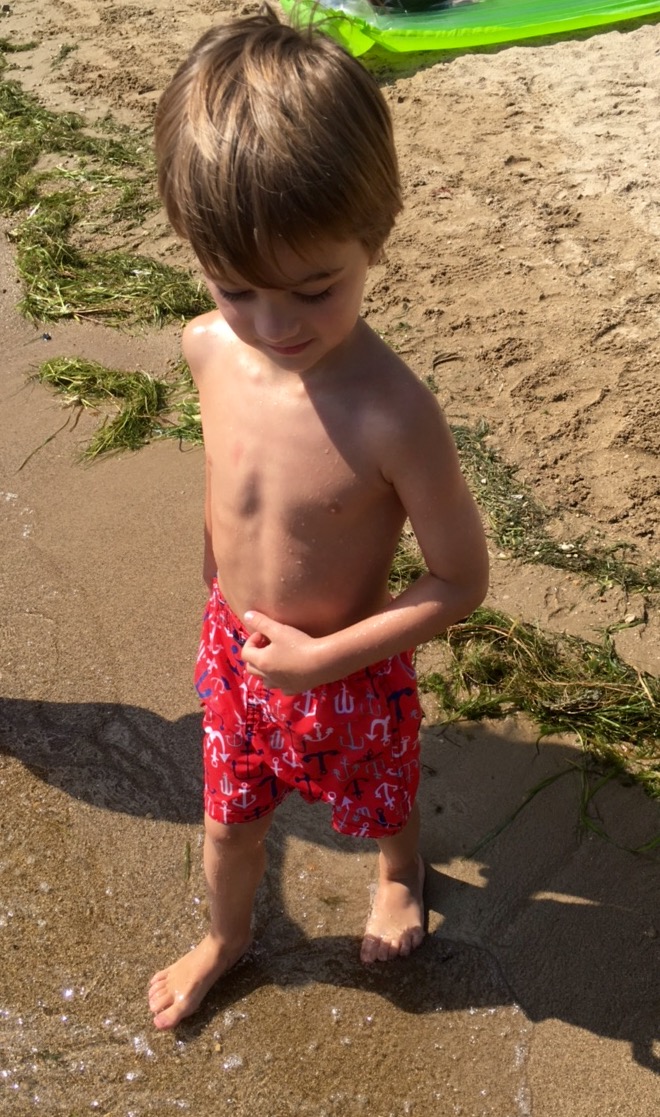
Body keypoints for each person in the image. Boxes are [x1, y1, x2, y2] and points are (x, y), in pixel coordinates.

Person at [148, 4, 489, 1031]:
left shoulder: (395, 413)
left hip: (350, 664)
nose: (274, 324)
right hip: (236, 650)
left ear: (371, 235)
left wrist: (324, 661)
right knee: (228, 821)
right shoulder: (207, 347)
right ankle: (225, 936)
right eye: (237, 288)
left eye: (314, 288)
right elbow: (226, 476)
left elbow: (461, 579)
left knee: (381, 794)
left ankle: (399, 871)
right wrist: (212, 583)